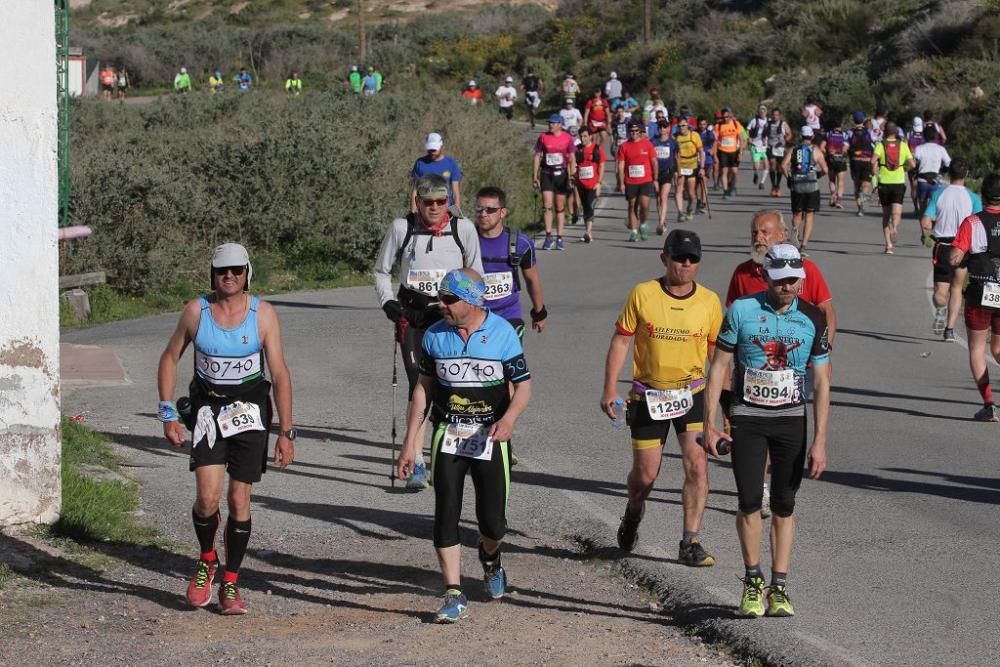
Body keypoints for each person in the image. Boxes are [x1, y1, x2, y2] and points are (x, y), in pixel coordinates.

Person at [158, 243, 295, 615]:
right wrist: (168, 413)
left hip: (250, 412)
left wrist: (286, 431)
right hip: (207, 410)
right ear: (212, 275)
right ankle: (207, 560)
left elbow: (280, 373)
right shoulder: (195, 312)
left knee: (238, 500)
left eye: (236, 269)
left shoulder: (263, 314)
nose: (229, 276)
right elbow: (170, 358)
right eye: (222, 271)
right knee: (207, 498)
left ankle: (231, 582)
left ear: (248, 272)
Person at [396, 268, 531, 623]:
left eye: (449, 299)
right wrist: (411, 445)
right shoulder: (435, 336)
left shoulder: (502, 333)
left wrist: (509, 419)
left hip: (490, 437)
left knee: (493, 524)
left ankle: (490, 558)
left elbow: (524, 387)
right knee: (446, 512)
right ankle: (454, 593)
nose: (441, 304)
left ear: (472, 300)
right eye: (440, 297)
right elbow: (422, 391)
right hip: (449, 434)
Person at [704, 243, 831, 618]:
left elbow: (821, 381)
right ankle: (752, 580)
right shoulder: (741, 311)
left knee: (783, 504)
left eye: (794, 280)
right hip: (748, 418)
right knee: (747, 501)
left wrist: (821, 440)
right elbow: (718, 368)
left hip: (791, 419)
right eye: (780, 280)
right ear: (764, 276)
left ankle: (779, 586)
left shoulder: (812, 318)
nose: (787, 287)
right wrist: (710, 424)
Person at [601, 230, 723, 566]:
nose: (686, 264)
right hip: (648, 396)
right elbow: (622, 341)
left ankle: (690, 542)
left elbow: (719, 357)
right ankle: (633, 511)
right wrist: (610, 388)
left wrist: (727, 411)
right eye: (679, 257)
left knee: (698, 466)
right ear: (664, 258)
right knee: (645, 476)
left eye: (693, 259)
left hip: (692, 393)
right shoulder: (643, 294)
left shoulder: (710, 302)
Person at [725, 210, 837, 517]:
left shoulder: (806, 270)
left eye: (764, 232)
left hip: (796, 364)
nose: (758, 238)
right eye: (754, 233)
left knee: (783, 432)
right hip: (752, 375)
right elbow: (727, 329)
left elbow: (826, 311)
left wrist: (821, 353)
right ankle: (759, 490)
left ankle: (776, 493)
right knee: (755, 428)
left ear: (781, 236)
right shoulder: (742, 273)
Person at [375, 175, 484, 489]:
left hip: (450, 316)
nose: (434, 208)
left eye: (440, 201)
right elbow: (381, 271)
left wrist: (472, 314)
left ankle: (448, 453)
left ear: (448, 201)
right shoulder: (402, 228)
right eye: (427, 202)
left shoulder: (463, 230)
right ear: (417, 202)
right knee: (417, 385)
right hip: (413, 316)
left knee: (449, 386)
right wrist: (389, 305)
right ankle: (416, 459)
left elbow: (477, 275)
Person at [949, 174, 1000, 421]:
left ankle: (989, 404)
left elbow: (955, 258)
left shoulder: (973, 222)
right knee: (998, 347)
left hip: (981, 291)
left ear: (983, 196)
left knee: (977, 348)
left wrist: (965, 254)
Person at [473, 187, 547, 335]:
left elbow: (532, 279)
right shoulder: (466, 239)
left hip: (508, 316)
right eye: (479, 209)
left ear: (503, 212)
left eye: (490, 210)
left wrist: (539, 313)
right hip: (474, 317)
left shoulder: (520, 243)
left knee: (510, 358)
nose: (483, 214)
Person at [922, 159, 980, 340]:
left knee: (940, 293)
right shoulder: (974, 198)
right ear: (967, 174)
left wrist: (926, 234)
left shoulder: (939, 194)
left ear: (949, 174)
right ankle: (949, 330)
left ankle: (941, 307)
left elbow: (926, 220)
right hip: (964, 248)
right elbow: (978, 225)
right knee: (956, 288)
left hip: (944, 247)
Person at [532, 115, 577, 251]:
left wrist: (572, 175)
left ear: (560, 124)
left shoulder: (567, 138)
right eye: (549, 122)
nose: (550, 125)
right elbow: (537, 156)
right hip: (546, 174)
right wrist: (534, 176)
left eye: (553, 123)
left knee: (559, 207)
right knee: (547, 206)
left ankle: (559, 238)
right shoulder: (543, 137)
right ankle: (548, 237)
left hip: (561, 175)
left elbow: (572, 158)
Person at [782, 126, 828, 256]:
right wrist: (817, 175)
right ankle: (804, 245)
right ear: (812, 137)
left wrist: (789, 178)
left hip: (797, 184)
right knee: (809, 214)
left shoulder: (794, 149)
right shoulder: (816, 150)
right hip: (812, 186)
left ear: (800, 137)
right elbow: (825, 170)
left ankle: (795, 229)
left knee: (797, 213)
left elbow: (783, 165)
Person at [872, 121, 916, 254]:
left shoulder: (880, 145)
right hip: (898, 182)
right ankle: (895, 226)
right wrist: (904, 169)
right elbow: (913, 164)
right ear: (896, 133)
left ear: (885, 132)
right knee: (896, 213)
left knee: (886, 215)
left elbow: (872, 160)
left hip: (884, 182)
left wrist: (875, 175)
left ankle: (888, 246)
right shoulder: (903, 145)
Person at [616, 119, 658, 242]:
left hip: (646, 180)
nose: (633, 133)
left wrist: (655, 179)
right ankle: (634, 232)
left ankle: (643, 224)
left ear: (640, 132)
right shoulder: (624, 146)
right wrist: (621, 182)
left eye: (636, 131)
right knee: (632, 205)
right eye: (631, 131)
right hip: (630, 181)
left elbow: (654, 162)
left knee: (644, 205)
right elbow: (621, 165)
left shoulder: (647, 144)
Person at [410, 133, 462, 213]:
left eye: (434, 149)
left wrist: (457, 212)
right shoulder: (420, 163)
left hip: (446, 209)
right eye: (430, 149)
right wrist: (413, 211)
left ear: (441, 146)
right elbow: (415, 190)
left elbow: (456, 192)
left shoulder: (451, 163)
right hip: (425, 209)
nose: (432, 152)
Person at [575, 127, 607, 244]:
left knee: (589, 206)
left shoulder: (596, 149)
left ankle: (588, 232)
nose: (582, 139)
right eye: (581, 136)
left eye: (585, 136)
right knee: (585, 207)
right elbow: (574, 165)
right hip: (581, 184)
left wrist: (599, 182)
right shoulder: (577, 150)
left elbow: (602, 165)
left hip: (593, 184)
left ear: (590, 136)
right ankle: (588, 232)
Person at [912, 126, 951, 216]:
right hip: (936, 181)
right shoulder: (941, 149)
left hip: (922, 181)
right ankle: (932, 226)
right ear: (936, 136)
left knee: (922, 208)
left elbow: (915, 162)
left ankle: (924, 229)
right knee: (936, 208)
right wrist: (942, 172)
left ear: (924, 136)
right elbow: (948, 163)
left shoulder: (919, 148)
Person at [674, 118, 705, 219]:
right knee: (679, 189)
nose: (681, 128)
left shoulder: (694, 135)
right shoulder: (675, 137)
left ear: (688, 126)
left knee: (691, 194)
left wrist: (702, 167)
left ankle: (689, 208)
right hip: (680, 165)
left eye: (683, 125)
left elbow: (701, 151)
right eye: (679, 126)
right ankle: (680, 212)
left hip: (692, 166)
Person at [650, 121, 678, 232]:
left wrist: (677, 172)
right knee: (657, 198)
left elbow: (676, 158)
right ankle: (661, 219)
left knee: (663, 196)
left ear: (668, 128)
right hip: (656, 173)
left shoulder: (673, 142)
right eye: (660, 127)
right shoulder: (653, 141)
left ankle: (661, 224)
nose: (662, 129)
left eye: (664, 127)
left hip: (668, 172)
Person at [848, 111, 875, 216]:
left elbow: (846, 146)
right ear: (863, 120)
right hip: (866, 161)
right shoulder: (869, 132)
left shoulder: (850, 132)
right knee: (866, 184)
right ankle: (862, 199)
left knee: (856, 184)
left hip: (854, 161)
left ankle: (860, 208)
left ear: (854, 120)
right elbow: (875, 144)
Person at [715, 106, 744, 200]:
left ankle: (732, 187)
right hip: (723, 150)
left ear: (731, 116)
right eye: (723, 117)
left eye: (727, 117)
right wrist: (714, 153)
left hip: (734, 151)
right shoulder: (718, 126)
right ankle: (725, 191)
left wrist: (741, 152)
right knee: (724, 171)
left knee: (735, 172)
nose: (725, 119)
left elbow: (741, 139)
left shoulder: (736, 124)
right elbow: (714, 140)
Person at [821, 119, 850, 208]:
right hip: (841, 160)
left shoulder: (828, 134)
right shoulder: (845, 135)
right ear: (841, 125)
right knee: (840, 182)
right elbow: (845, 148)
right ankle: (839, 201)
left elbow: (821, 147)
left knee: (832, 180)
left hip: (830, 160)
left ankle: (833, 195)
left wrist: (828, 153)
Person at [765, 108, 792, 197]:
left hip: (780, 148)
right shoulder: (767, 123)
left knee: (780, 168)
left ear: (779, 115)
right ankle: (773, 186)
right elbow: (763, 134)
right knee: (772, 165)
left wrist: (785, 140)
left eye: (776, 115)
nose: (774, 116)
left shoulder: (783, 124)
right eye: (773, 114)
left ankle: (778, 186)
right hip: (770, 147)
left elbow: (789, 134)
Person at [746, 105, 770, 191]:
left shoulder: (768, 121)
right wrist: (748, 138)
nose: (762, 113)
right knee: (757, 166)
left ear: (766, 112)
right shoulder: (754, 120)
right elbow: (748, 129)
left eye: (764, 111)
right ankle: (756, 173)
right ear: (759, 112)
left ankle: (762, 183)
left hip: (764, 146)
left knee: (767, 165)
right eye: (761, 111)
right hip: (755, 145)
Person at [698, 117, 718, 204]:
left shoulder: (709, 133)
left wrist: (713, 150)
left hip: (707, 160)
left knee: (704, 181)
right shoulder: (695, 133)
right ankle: (699, 200)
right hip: (696, 160)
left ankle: (704, 202)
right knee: (698, 184)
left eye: (704, 124)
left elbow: (715, 141)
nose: (702, 126)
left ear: (706, 125)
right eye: (701, 124)